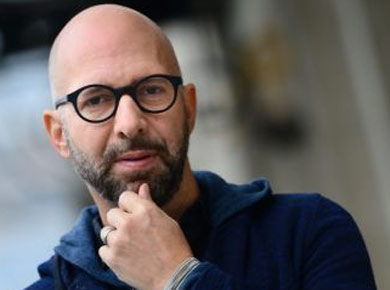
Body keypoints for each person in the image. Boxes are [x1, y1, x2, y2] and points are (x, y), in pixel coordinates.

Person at [26, 4, 376, 290]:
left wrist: (178, 278)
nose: (130, 123)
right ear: (58, 134)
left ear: (189, 108)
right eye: (97, 99)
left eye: (152, 90)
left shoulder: (307, 232)